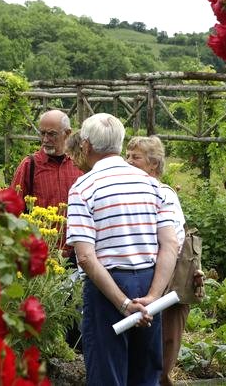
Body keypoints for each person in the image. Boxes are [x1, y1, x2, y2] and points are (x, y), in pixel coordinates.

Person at [66, 113, 179, 386]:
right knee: (145, 375)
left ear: (86, 146)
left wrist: (123, 303)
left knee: (108, 374)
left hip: (107, 287)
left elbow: (85, 256)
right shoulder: (153, 185)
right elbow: (171, 244)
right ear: (119, 144)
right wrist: (153, 296)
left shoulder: (84, 187)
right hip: (150, 281)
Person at [126, 136, 202, 386]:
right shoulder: (129, 192)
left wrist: (156, 286)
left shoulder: (164, 194)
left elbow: (174, 242)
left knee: (164, 346)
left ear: (154, 165)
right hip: (148, 281)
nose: (128, 161)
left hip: (168, 281)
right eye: (127, 155)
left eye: (135, 157)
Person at [11, 109, 83, 255]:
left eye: (51, 134)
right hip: (41, 251)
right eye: (42, 133)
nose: (45, 139)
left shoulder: (79, 164)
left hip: (77, 253)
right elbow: (13, 210)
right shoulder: (30, 165)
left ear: (67, 134)